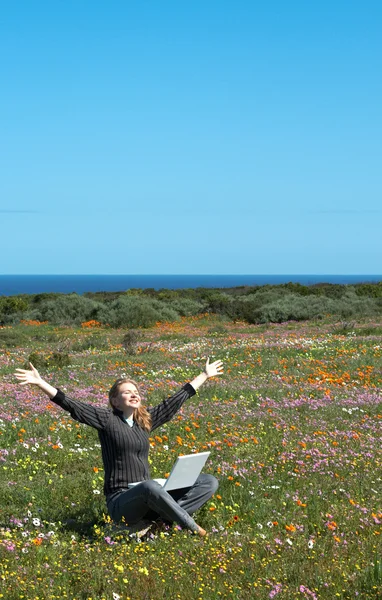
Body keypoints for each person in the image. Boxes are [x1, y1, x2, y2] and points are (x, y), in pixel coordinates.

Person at [15, 358, 224, 537]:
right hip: (121, 501)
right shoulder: (107, 419)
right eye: (126, 393)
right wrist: (40, 383)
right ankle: (190, 527)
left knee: (208, 482)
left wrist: (204, 375)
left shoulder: (145, 421)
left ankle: (159, 523)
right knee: (150, 486)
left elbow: (174, 402)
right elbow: (72, 405)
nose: (133, 395)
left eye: (135, 391)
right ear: (115, 401)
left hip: (148, 498)